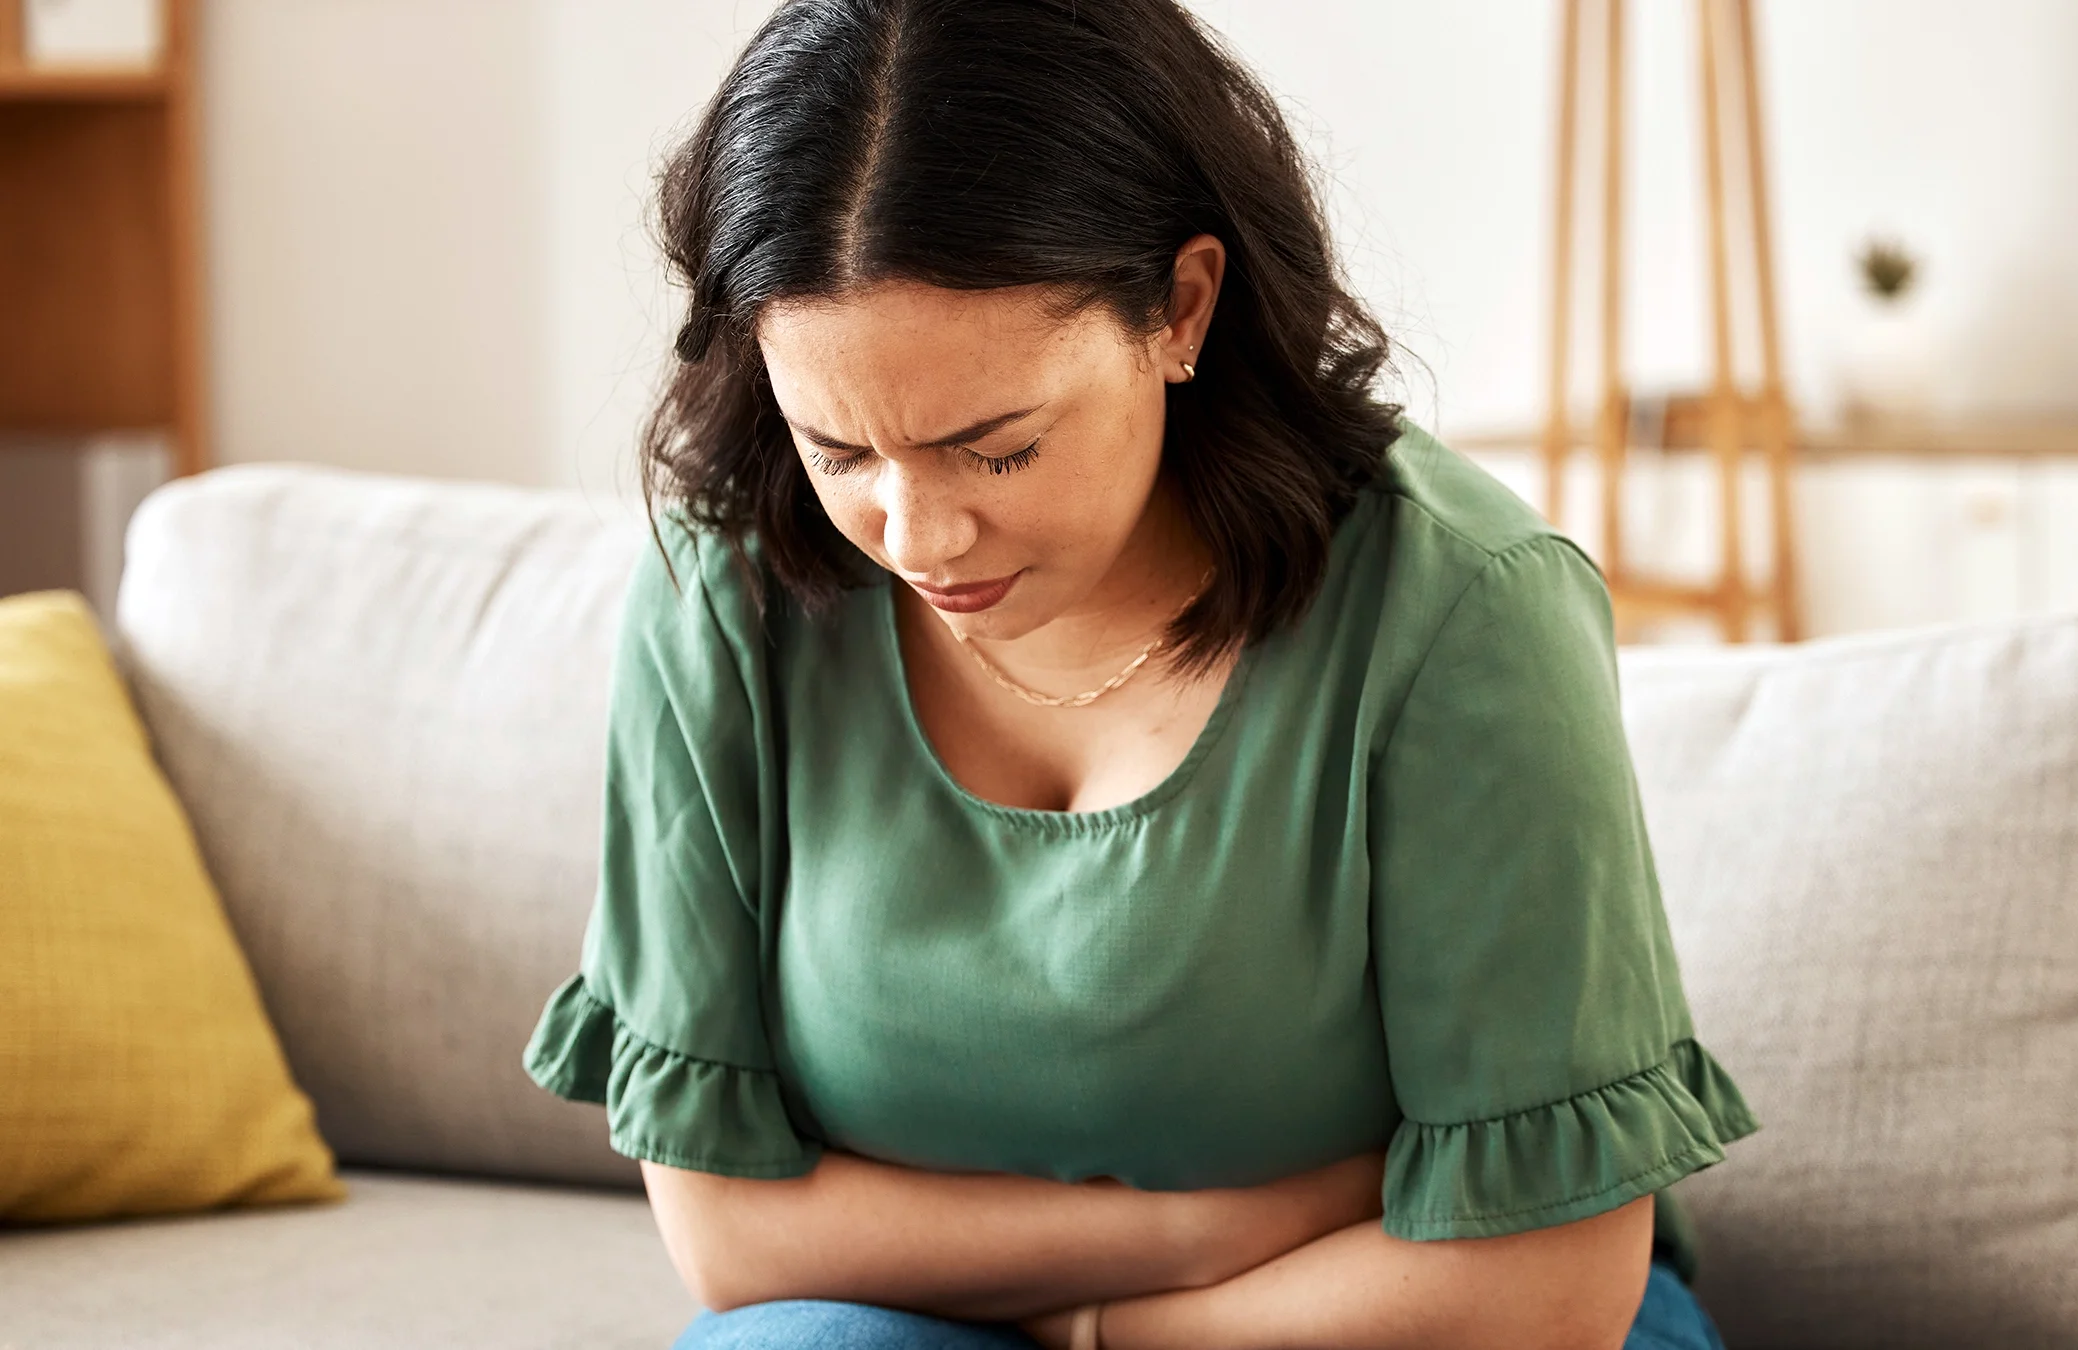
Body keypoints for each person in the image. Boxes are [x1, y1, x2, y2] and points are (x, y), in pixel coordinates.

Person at [520, 0, 1760, 1345]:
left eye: (996, 448)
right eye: (840, 452)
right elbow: (731, 1234)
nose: (918, 537)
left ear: (1181, 307)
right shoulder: (728, 593)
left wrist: (1116, 1332)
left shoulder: (1460, 612)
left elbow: (1543, 1285)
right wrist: (1194, 1236)